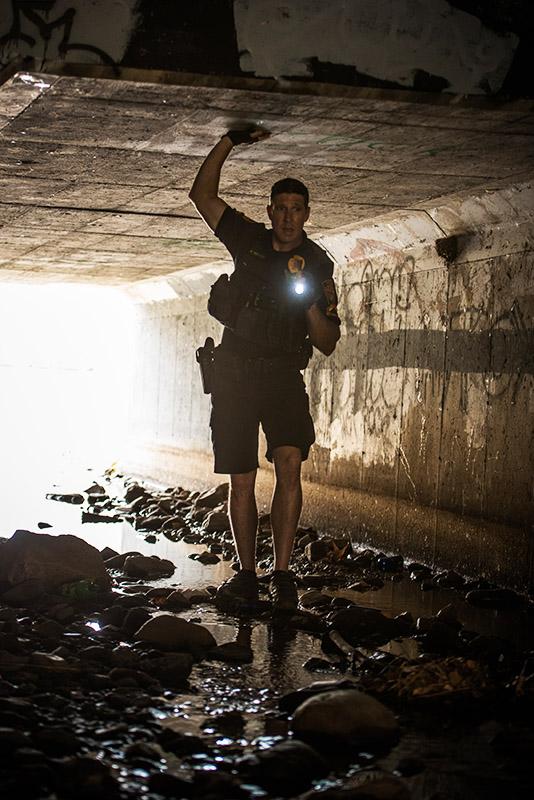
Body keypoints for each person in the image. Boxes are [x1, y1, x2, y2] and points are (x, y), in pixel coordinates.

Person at [189, 127, 340, 613]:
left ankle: (283, 574)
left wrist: (313, 304)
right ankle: (248, 575)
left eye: (298, 208)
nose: (289, 216)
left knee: (290, 462)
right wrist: (230, 141)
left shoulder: (317, 264)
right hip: (233, 374)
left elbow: (328, 343)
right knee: (243, 479)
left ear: (307, 215)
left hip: (281, 377)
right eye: (282, 207)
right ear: (271, 210)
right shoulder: (248, 239)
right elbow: (202, 195)